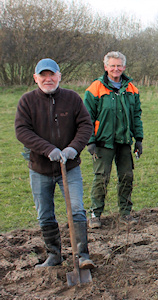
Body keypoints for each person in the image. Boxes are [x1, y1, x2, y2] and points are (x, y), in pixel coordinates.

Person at [15, 58, 96, 269]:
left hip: (69, 167)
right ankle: (54, 255)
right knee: (45, 213)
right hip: (40, 169)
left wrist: (73, 148)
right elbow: (22, 131)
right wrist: (47, 149)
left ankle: (82, 255)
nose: (48, 79)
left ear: (59, 76)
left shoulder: (72, 98)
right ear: (36, 78)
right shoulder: (27, 101)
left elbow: (86, 125)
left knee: (77, 209)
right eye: (43, 75)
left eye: (52, 75)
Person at [84, 51, 143, 228]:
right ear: (106, 67)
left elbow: (136, 116)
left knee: (126, 176)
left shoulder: (131, 89)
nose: (115, 69)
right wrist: (90, 141)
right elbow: (86, 117)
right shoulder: (95, 88)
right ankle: (95, 214)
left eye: (119, 66)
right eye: (112, 65)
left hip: (124, 141)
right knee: (101, 178)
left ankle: (125, 213)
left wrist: (138, 138)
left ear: (124, 67)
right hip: (103, 142)